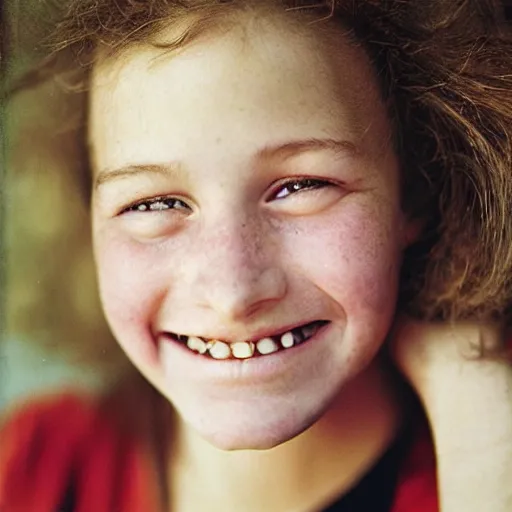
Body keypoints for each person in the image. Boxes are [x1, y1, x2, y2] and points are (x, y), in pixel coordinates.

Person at [1, 1, 512, 511]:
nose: (233, 293)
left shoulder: (481, 464)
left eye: (301, 186)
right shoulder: (29, 470)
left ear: (416, 191)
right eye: (154, 203)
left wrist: (473, 403)